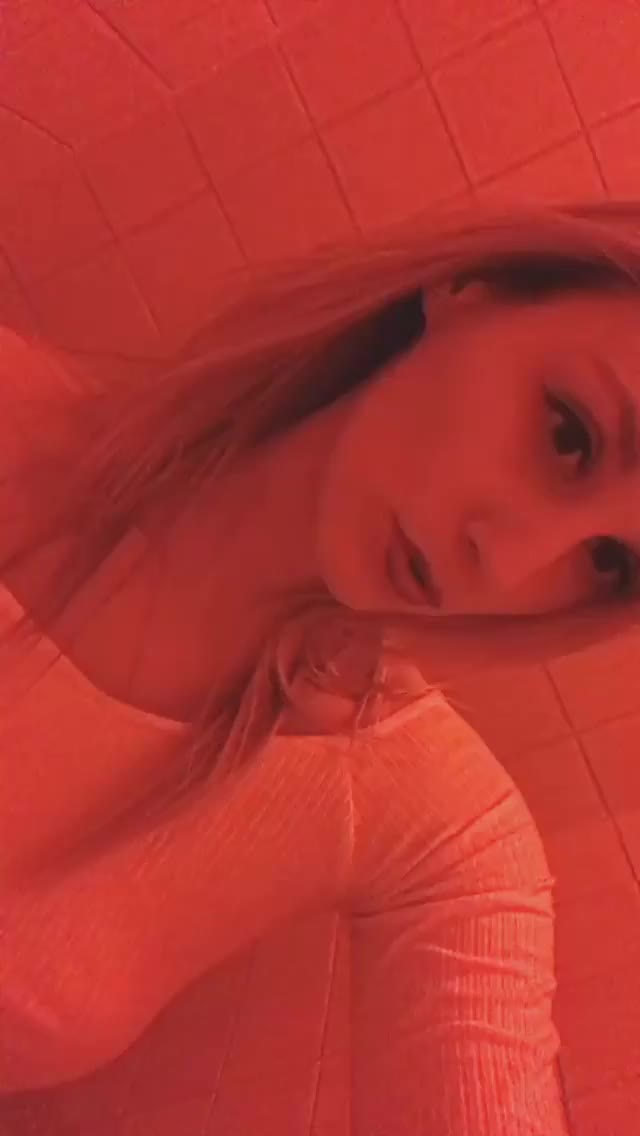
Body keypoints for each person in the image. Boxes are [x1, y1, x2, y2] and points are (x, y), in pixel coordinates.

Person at [1, 199, 639, 1131]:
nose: (509, 563)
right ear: (476, 291)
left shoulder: (432, 823)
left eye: (610, 561)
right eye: (569, 434)